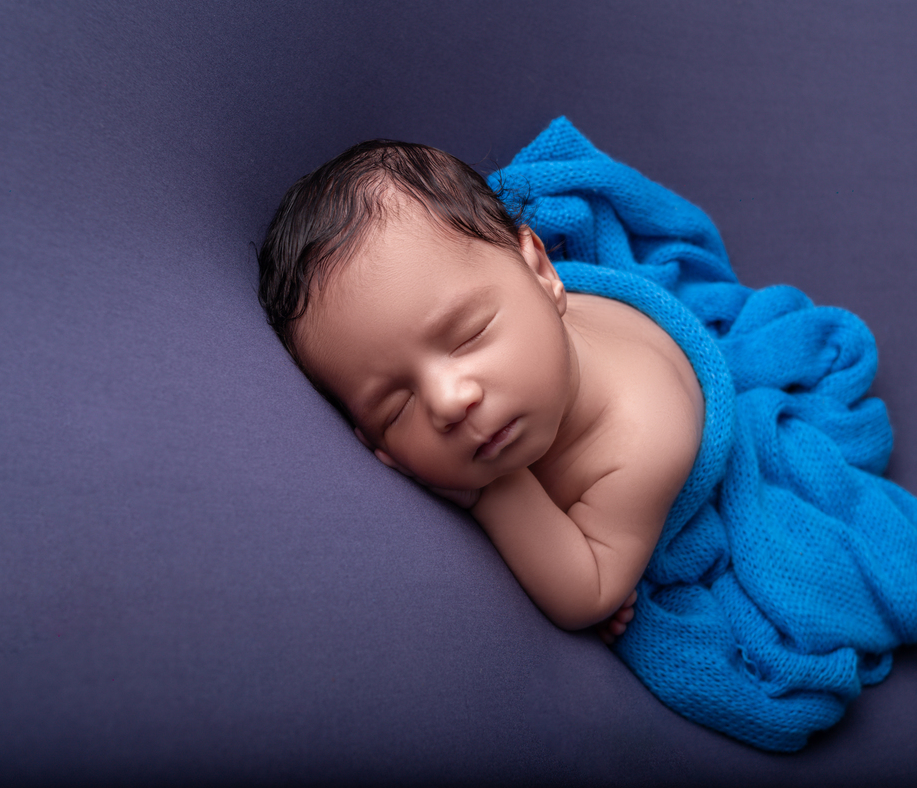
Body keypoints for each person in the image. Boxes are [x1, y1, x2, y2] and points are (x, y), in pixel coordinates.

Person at [258, 140, 704, 644]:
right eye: (397, 408)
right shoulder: (498, 325)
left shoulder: (644, 436)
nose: (448, 402)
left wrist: (494, 491)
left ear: (542, 273)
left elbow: (590, 595)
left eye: (468, 336)